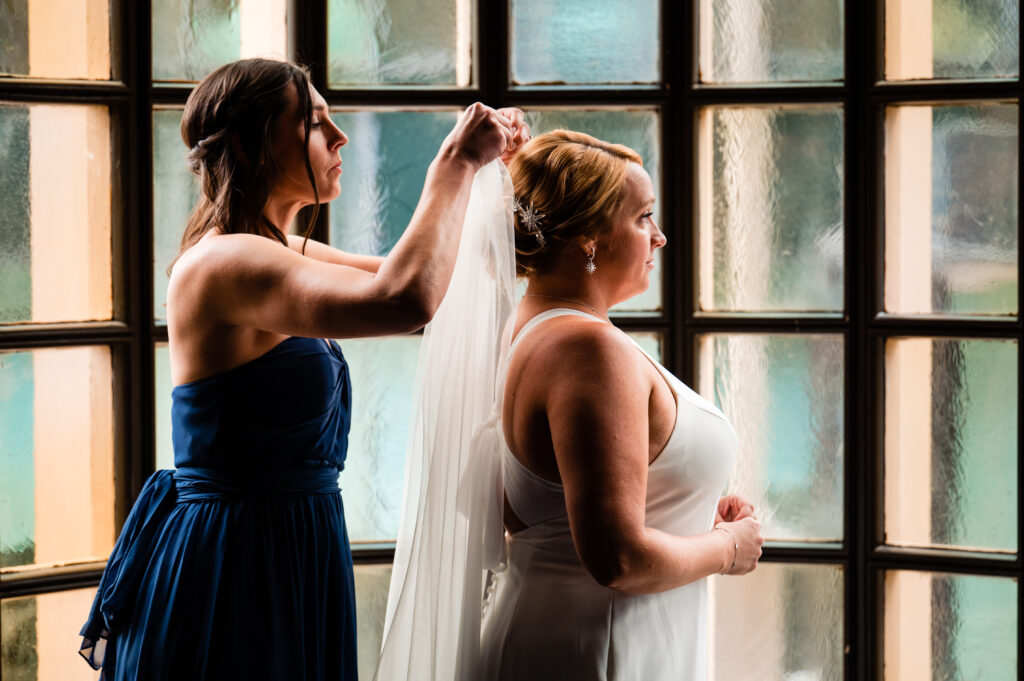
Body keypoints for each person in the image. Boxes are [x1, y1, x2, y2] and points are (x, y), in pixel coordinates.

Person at [78, 57, 527, 680]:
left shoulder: (273, 250)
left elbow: (432, 289)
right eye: (315, 124)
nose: (339, 137)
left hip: (291, 544)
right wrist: (454, 162)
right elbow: (404, 299)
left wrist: (489, 185)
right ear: (248, 142)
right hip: (238, 556)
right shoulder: (226, 263)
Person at [376, 130, 763, 681]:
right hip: (597, 648)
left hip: (561, 631)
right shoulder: (588, 349)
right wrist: (728, 547)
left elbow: (521, 511)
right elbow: (616, 557)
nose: (660, 238)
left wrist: (691, 506)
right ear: (588, 237)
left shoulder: (525, 329)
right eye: (643, 217)